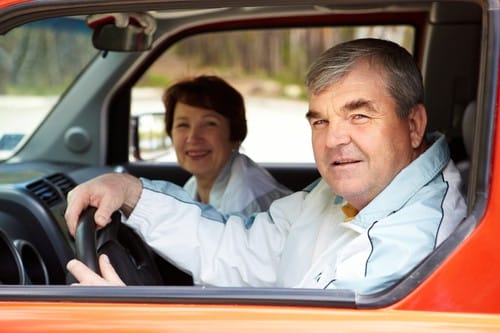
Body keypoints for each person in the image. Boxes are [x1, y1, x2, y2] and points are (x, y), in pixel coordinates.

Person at [65, 38, 467, 294]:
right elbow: (237, 248)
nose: (333, 140)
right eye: (320, 121)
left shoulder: (417, 241)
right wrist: (133, 194)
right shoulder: (341, 193)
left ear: (413, 125)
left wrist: (140, 322)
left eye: (359, 116)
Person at [161, 75, 291, 215]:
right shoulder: (193, 187)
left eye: (210, 124)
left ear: (234, 133)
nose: (193, 137)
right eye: (183, 125)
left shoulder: (249, 202)